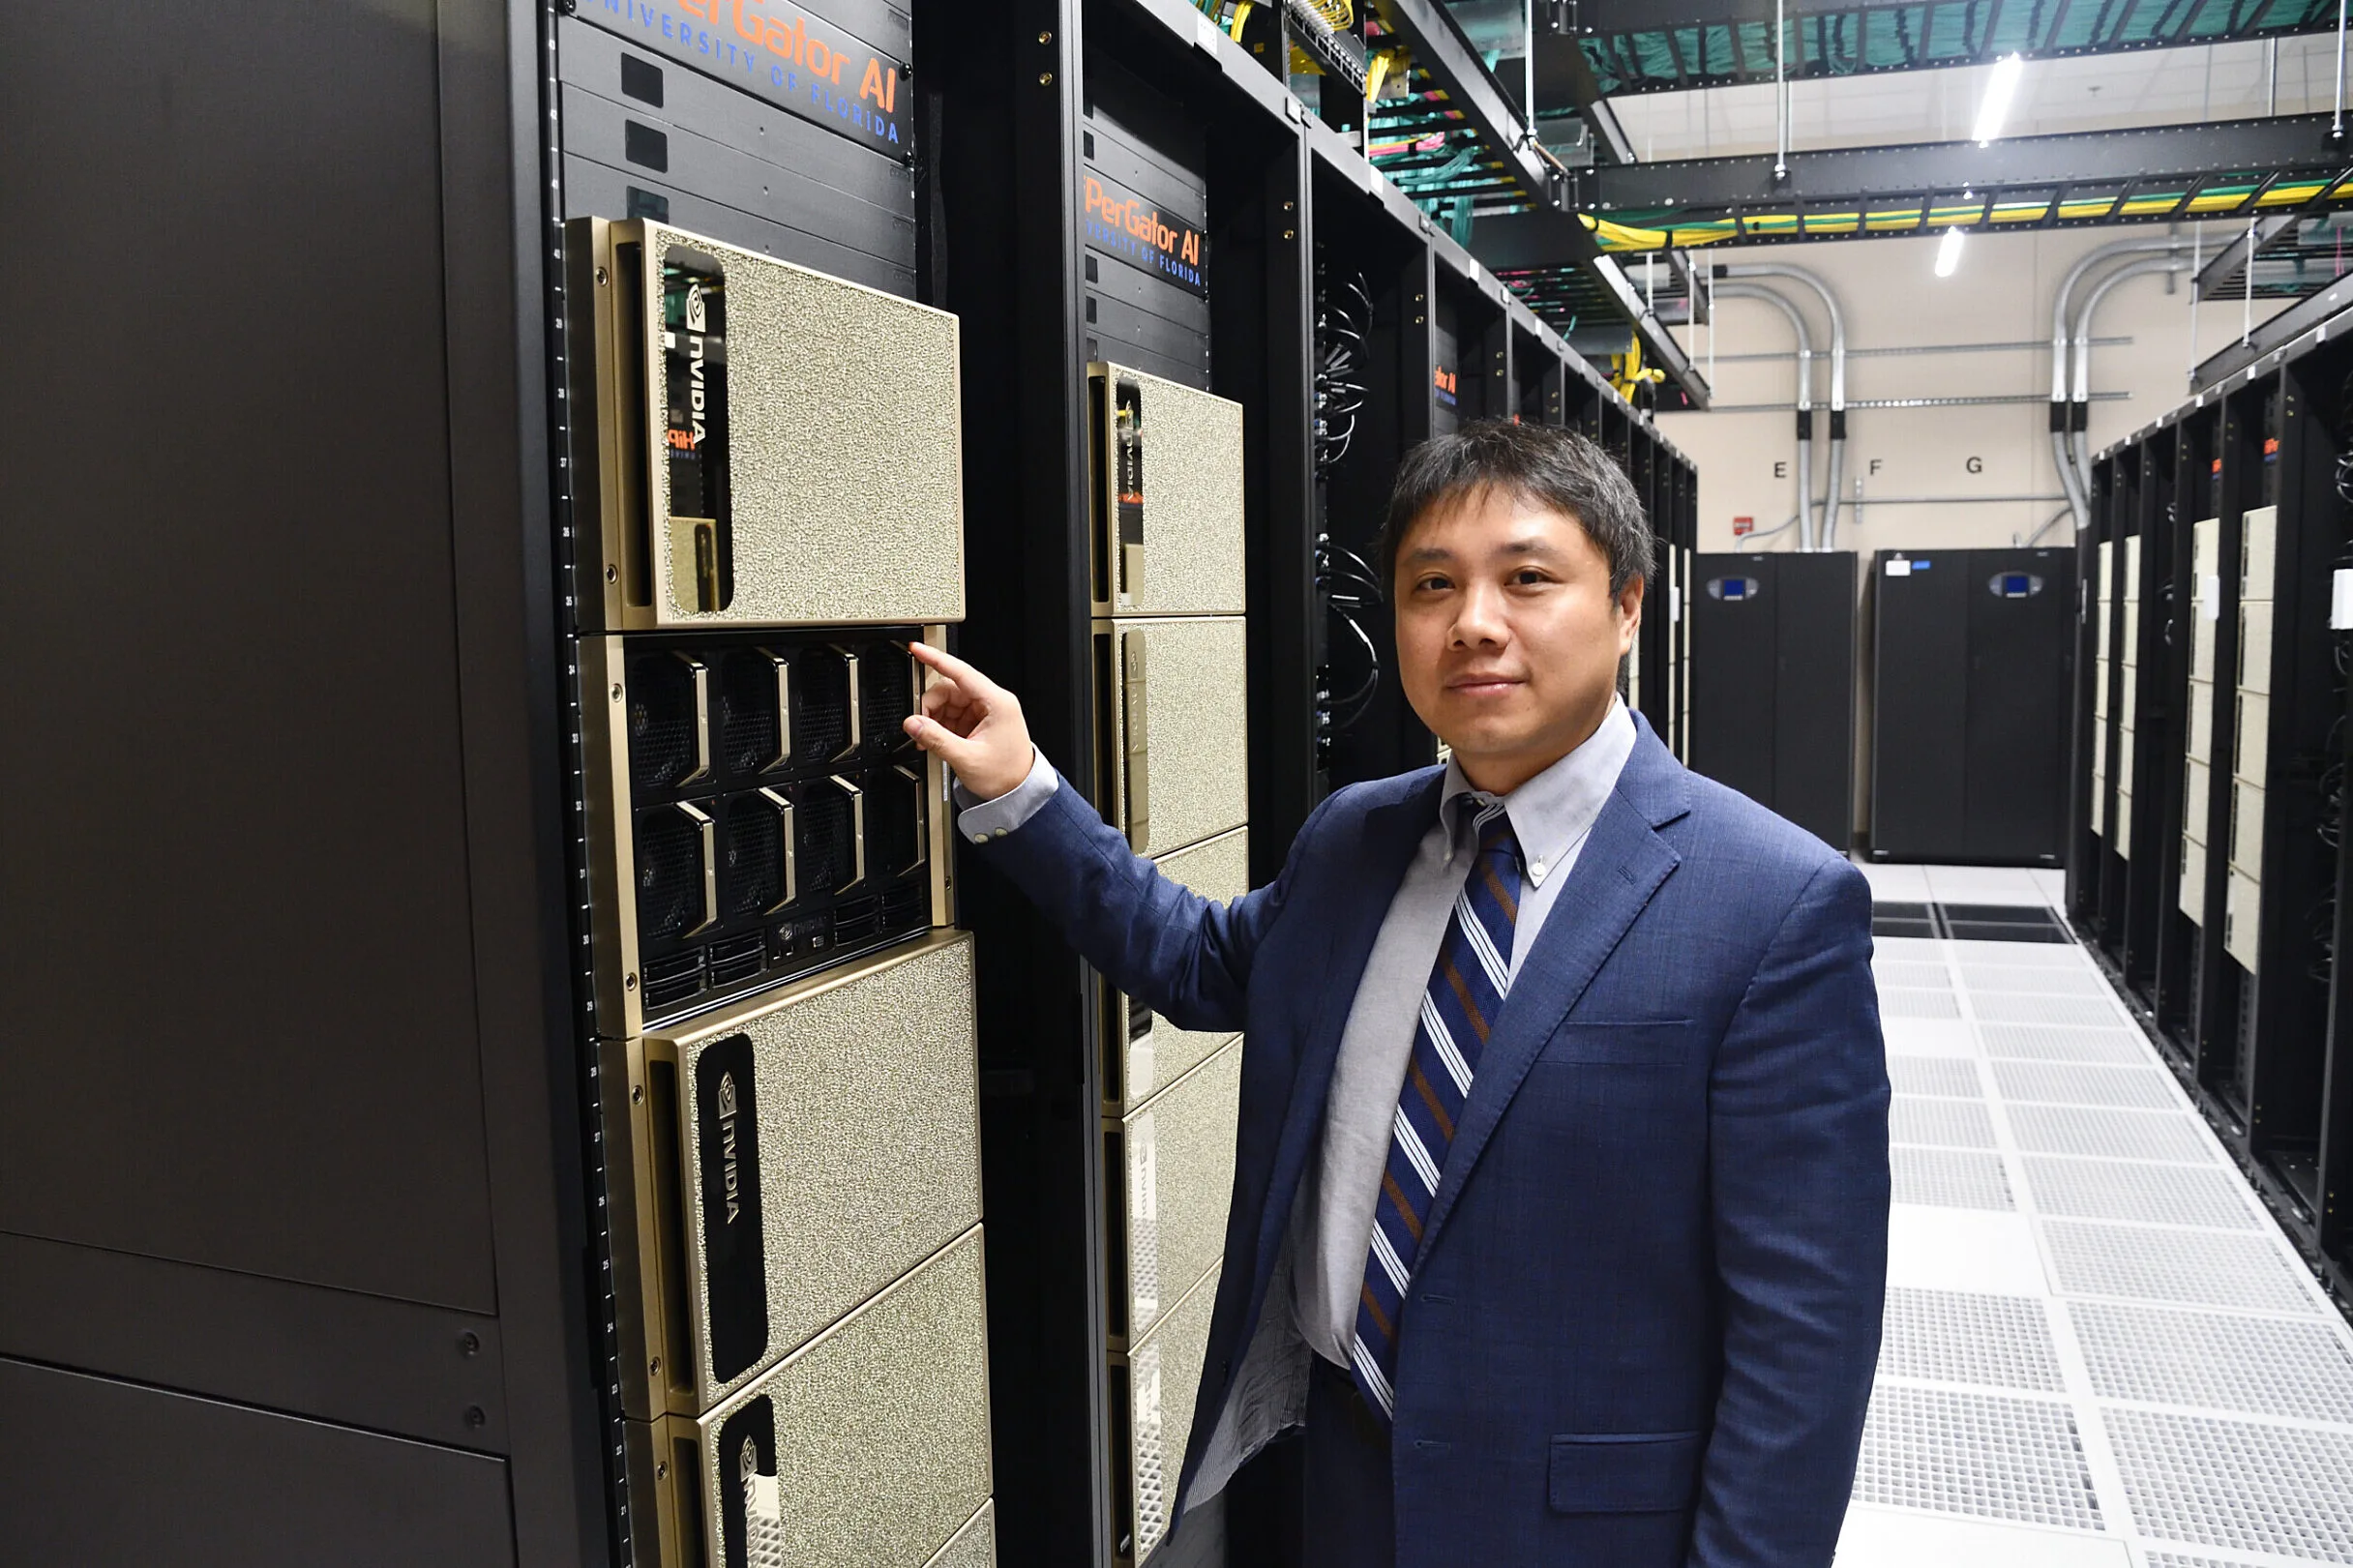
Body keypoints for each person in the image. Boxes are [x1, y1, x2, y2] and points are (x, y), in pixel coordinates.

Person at [904, 420, 1889, 1567]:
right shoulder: (1357, 838)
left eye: (1526, 578)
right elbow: (1195, 961)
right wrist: (1026, 790)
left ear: (1626, 604)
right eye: (1432, 585)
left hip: (1577, 1529)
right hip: (1336, 1472)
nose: (1473, 622)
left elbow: (1804, 1340)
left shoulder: (1772, 903)